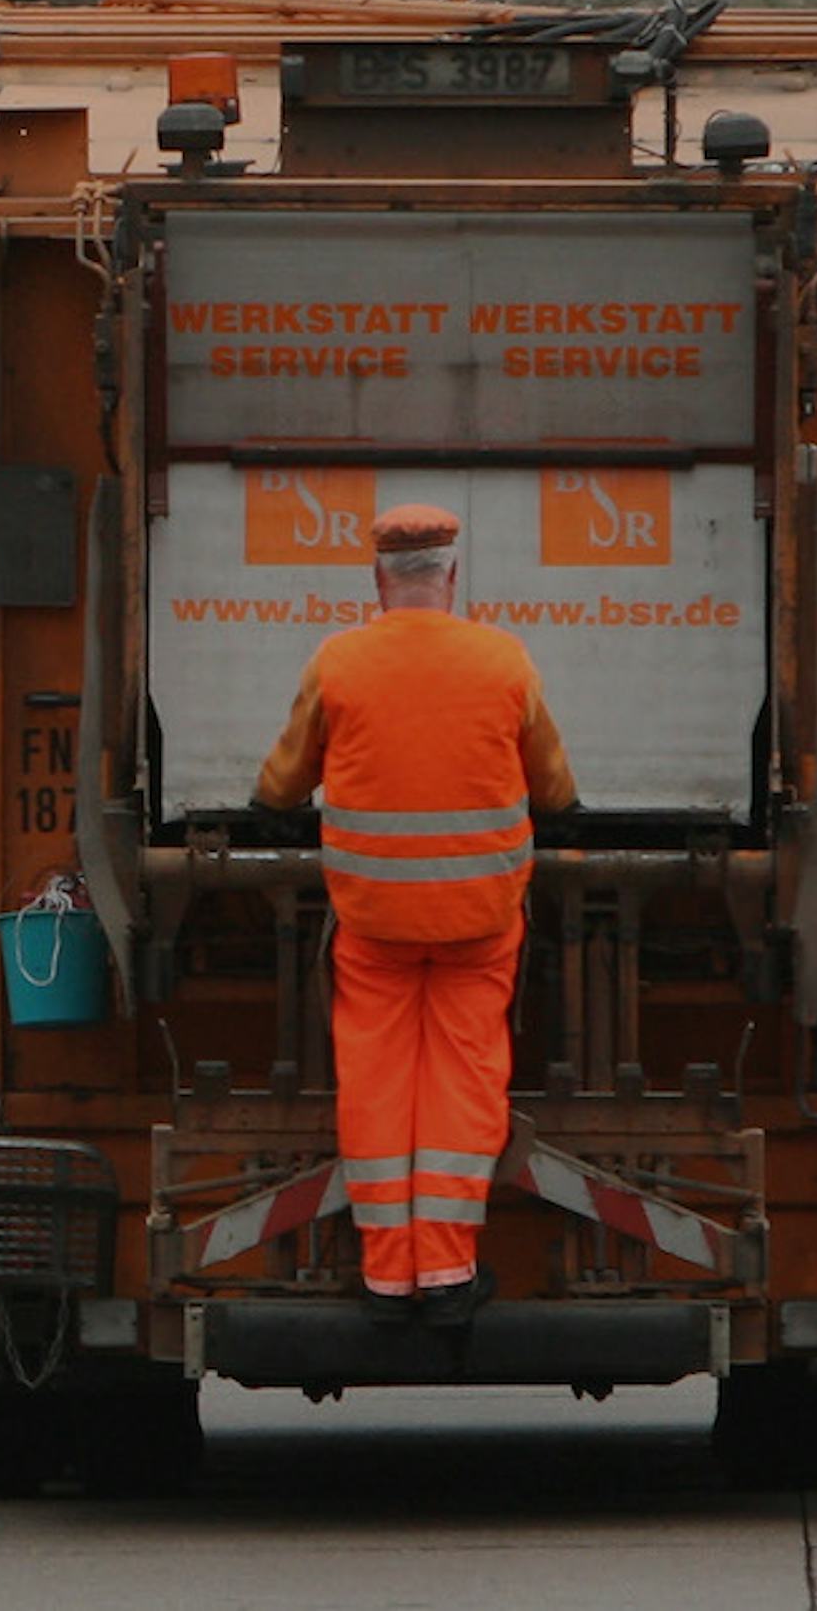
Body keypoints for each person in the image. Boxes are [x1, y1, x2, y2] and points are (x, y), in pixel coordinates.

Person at [253, 503, 577, 1326]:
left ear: (378, 579)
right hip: (479, 923)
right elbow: (553, 786)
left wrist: (270, 802)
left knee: (376, 1084)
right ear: (452, 576)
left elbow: (283, 782)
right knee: (464, 1083)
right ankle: (448, 1272)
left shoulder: (339, 662)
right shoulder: (503, 660)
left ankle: (387, 1277)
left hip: (375, 925)